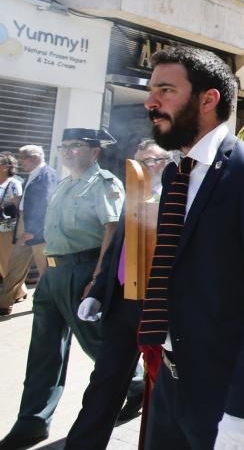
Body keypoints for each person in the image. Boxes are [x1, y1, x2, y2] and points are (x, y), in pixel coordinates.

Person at [140, 46, 244, 449]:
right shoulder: (176, 172)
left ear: (208, 99)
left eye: (165, 90)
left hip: (227, 392)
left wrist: (243, 413)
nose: (150, 102)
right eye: (151, 89)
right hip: (172, 383)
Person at [0, 129, 124, 450]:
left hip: (82, 270)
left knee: (96, 343)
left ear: (94, 152)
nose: (68, 152)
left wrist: (98, 278)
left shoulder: (104, 183)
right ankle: (32, 422)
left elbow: (112, 229)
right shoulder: (64, 183)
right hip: (53, 273)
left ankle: (134, 379)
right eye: (64, 147)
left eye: (76, 147)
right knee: (43, 350)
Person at [65, 140, 172, 449]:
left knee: (166, 388)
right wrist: (97, 292)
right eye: (135, 162)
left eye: (147, 162)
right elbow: (115, 252)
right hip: (122, 304)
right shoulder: (131, 199)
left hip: (159, 308)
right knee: (105, 383)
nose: (138, 169)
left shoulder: (177, 201)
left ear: (164, 163)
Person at [0, 146, 57, 315]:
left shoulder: (47, 174)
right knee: (15, 263)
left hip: (37, 228)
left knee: (44, 269)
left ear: (34, 158)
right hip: (26, 223)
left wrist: (33, 230)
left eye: (23, 158)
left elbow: (44, 203)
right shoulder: (34, 174)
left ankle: (45, 304)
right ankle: (4, 302)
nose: (20, 161)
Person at [0, 153, 24, 308]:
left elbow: (18, 208)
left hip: (7, 228)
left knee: (6, 260)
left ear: (7, 167)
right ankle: (19, 291)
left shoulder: (13, 183)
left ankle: (17, 291)